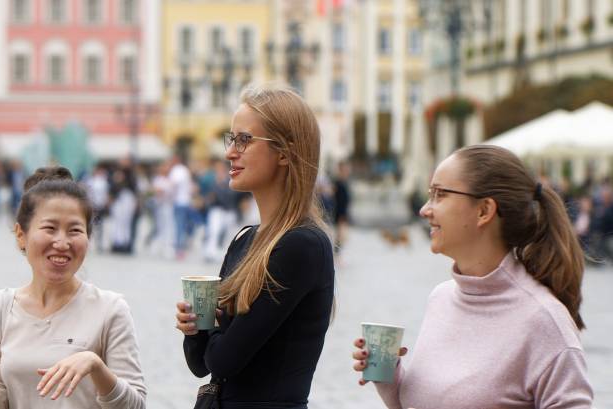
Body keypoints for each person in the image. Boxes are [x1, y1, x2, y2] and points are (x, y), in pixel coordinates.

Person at [351, 145, 593, 408]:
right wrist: (387, 374)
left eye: (440, 195)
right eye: (430, 195)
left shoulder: (544, 321)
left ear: (484, 211)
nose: (424, 209)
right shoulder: (441, 297)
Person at [175, 83, 335, 409]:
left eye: (245, 140)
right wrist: (194, 328)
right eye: (231, 139)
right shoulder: (245, 239)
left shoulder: (301, 245)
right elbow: (201, 365)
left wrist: (213, 324)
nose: (230, 152)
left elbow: (223, 361)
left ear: (285, 152)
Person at [0, 166, 146, 409]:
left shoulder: (110, 309)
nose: (62, 243)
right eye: (50, 228)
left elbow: (136, 406)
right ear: (21, 235)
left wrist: (96, 366)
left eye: (75, 230)